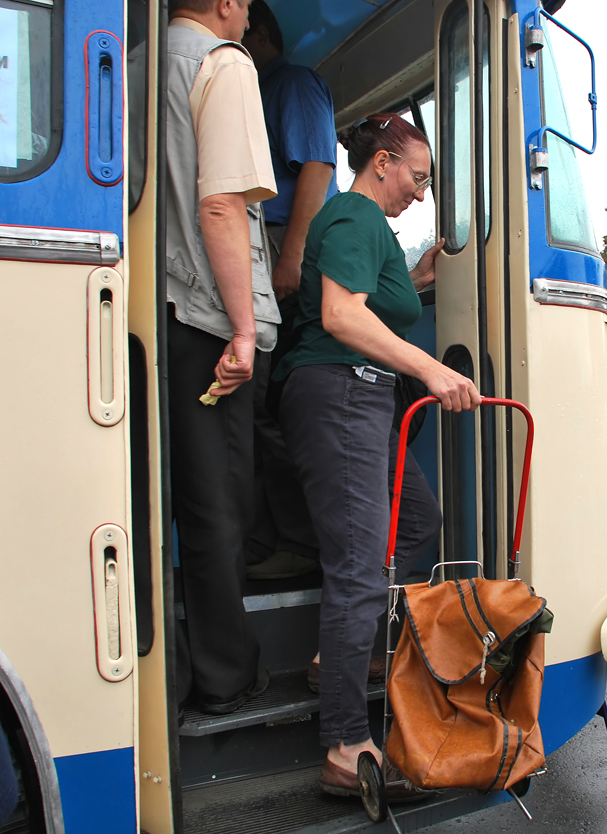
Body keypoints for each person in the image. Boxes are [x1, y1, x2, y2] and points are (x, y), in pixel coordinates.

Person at [274, 113, 481, 797]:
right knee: (360, 567)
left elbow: (371, 303)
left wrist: (417, 280)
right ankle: (343, 745)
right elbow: (340, 314)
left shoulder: (371, 231)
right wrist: (430, 368)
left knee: (418, 521)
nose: (421, 193)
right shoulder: (352, 216)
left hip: (360, 399)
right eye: (418, 178)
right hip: (338, 393)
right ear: (384, 161)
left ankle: (340, 651)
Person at [166, 0, 278, 714]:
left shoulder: (146, 61)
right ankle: (224, 678)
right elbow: (221, 205)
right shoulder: (223, 64)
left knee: (183, 499)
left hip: (165, 311)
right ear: (230, 5)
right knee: (220, 506)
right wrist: (243, 329)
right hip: (210, 320)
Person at [242, 0, 340, 579]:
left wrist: (292, 257)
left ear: (255, 30)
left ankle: (300, 543)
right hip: (268, 239)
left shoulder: (292, 84)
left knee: (270, 401)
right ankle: (269, 538)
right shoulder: (259, 88)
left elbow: (317, 168)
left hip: (283, 242)